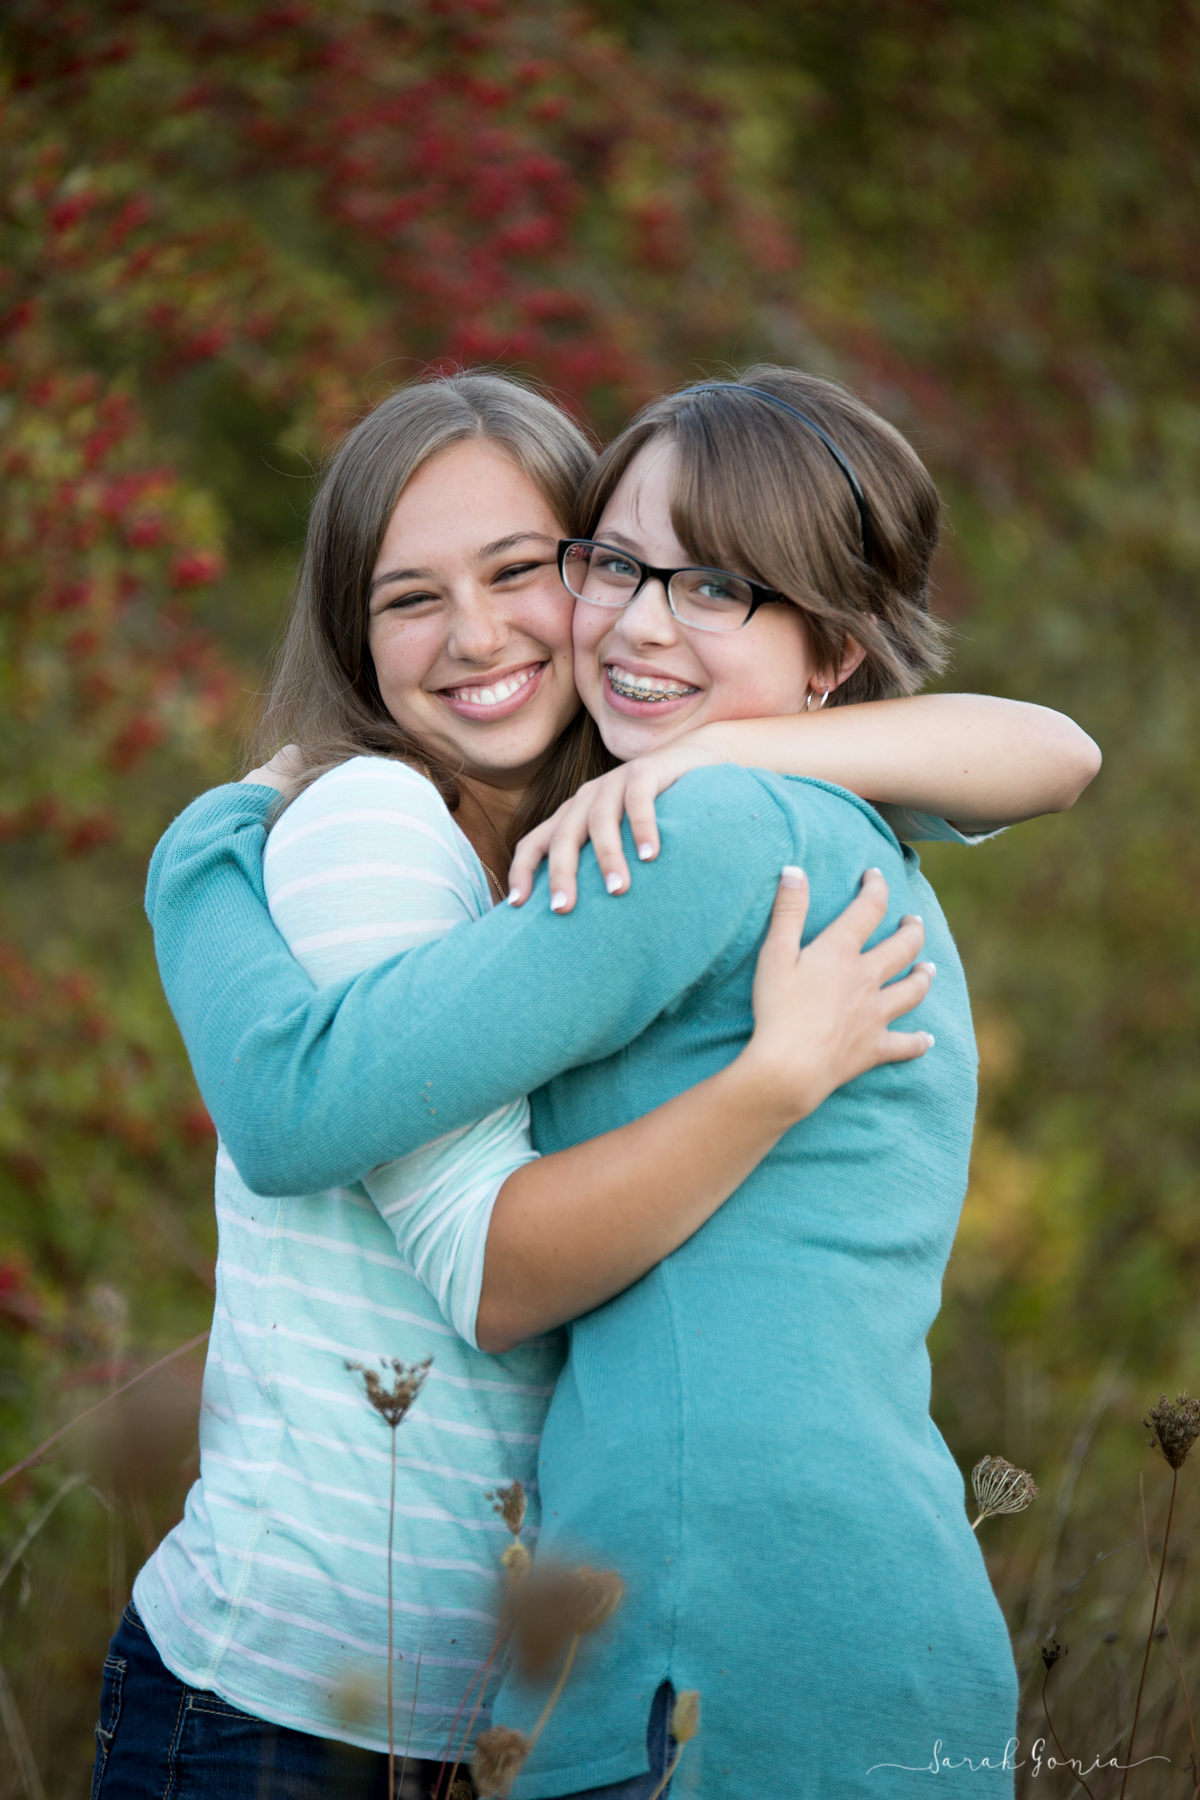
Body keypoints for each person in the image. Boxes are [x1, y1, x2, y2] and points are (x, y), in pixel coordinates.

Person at [124, 369, 1099, 1798]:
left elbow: (295, 1105)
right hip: (847, 1620)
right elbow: (1051, 749)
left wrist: (201, 854)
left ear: (826, 649)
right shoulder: (803, 817)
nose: (643, 621)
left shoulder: (684, 830)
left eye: (715, 587)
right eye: (618, 566)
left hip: (720, 1631)